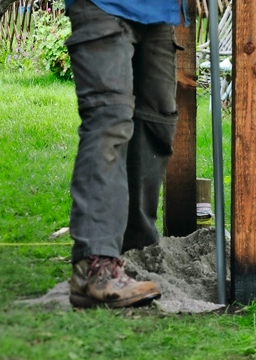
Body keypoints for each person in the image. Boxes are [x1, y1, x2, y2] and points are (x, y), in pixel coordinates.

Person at [63, 0, 185, 309]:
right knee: (109, 123)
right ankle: (95, 266)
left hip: (158, 11)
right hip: (102, 6)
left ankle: (135, 255)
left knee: (155, 124)